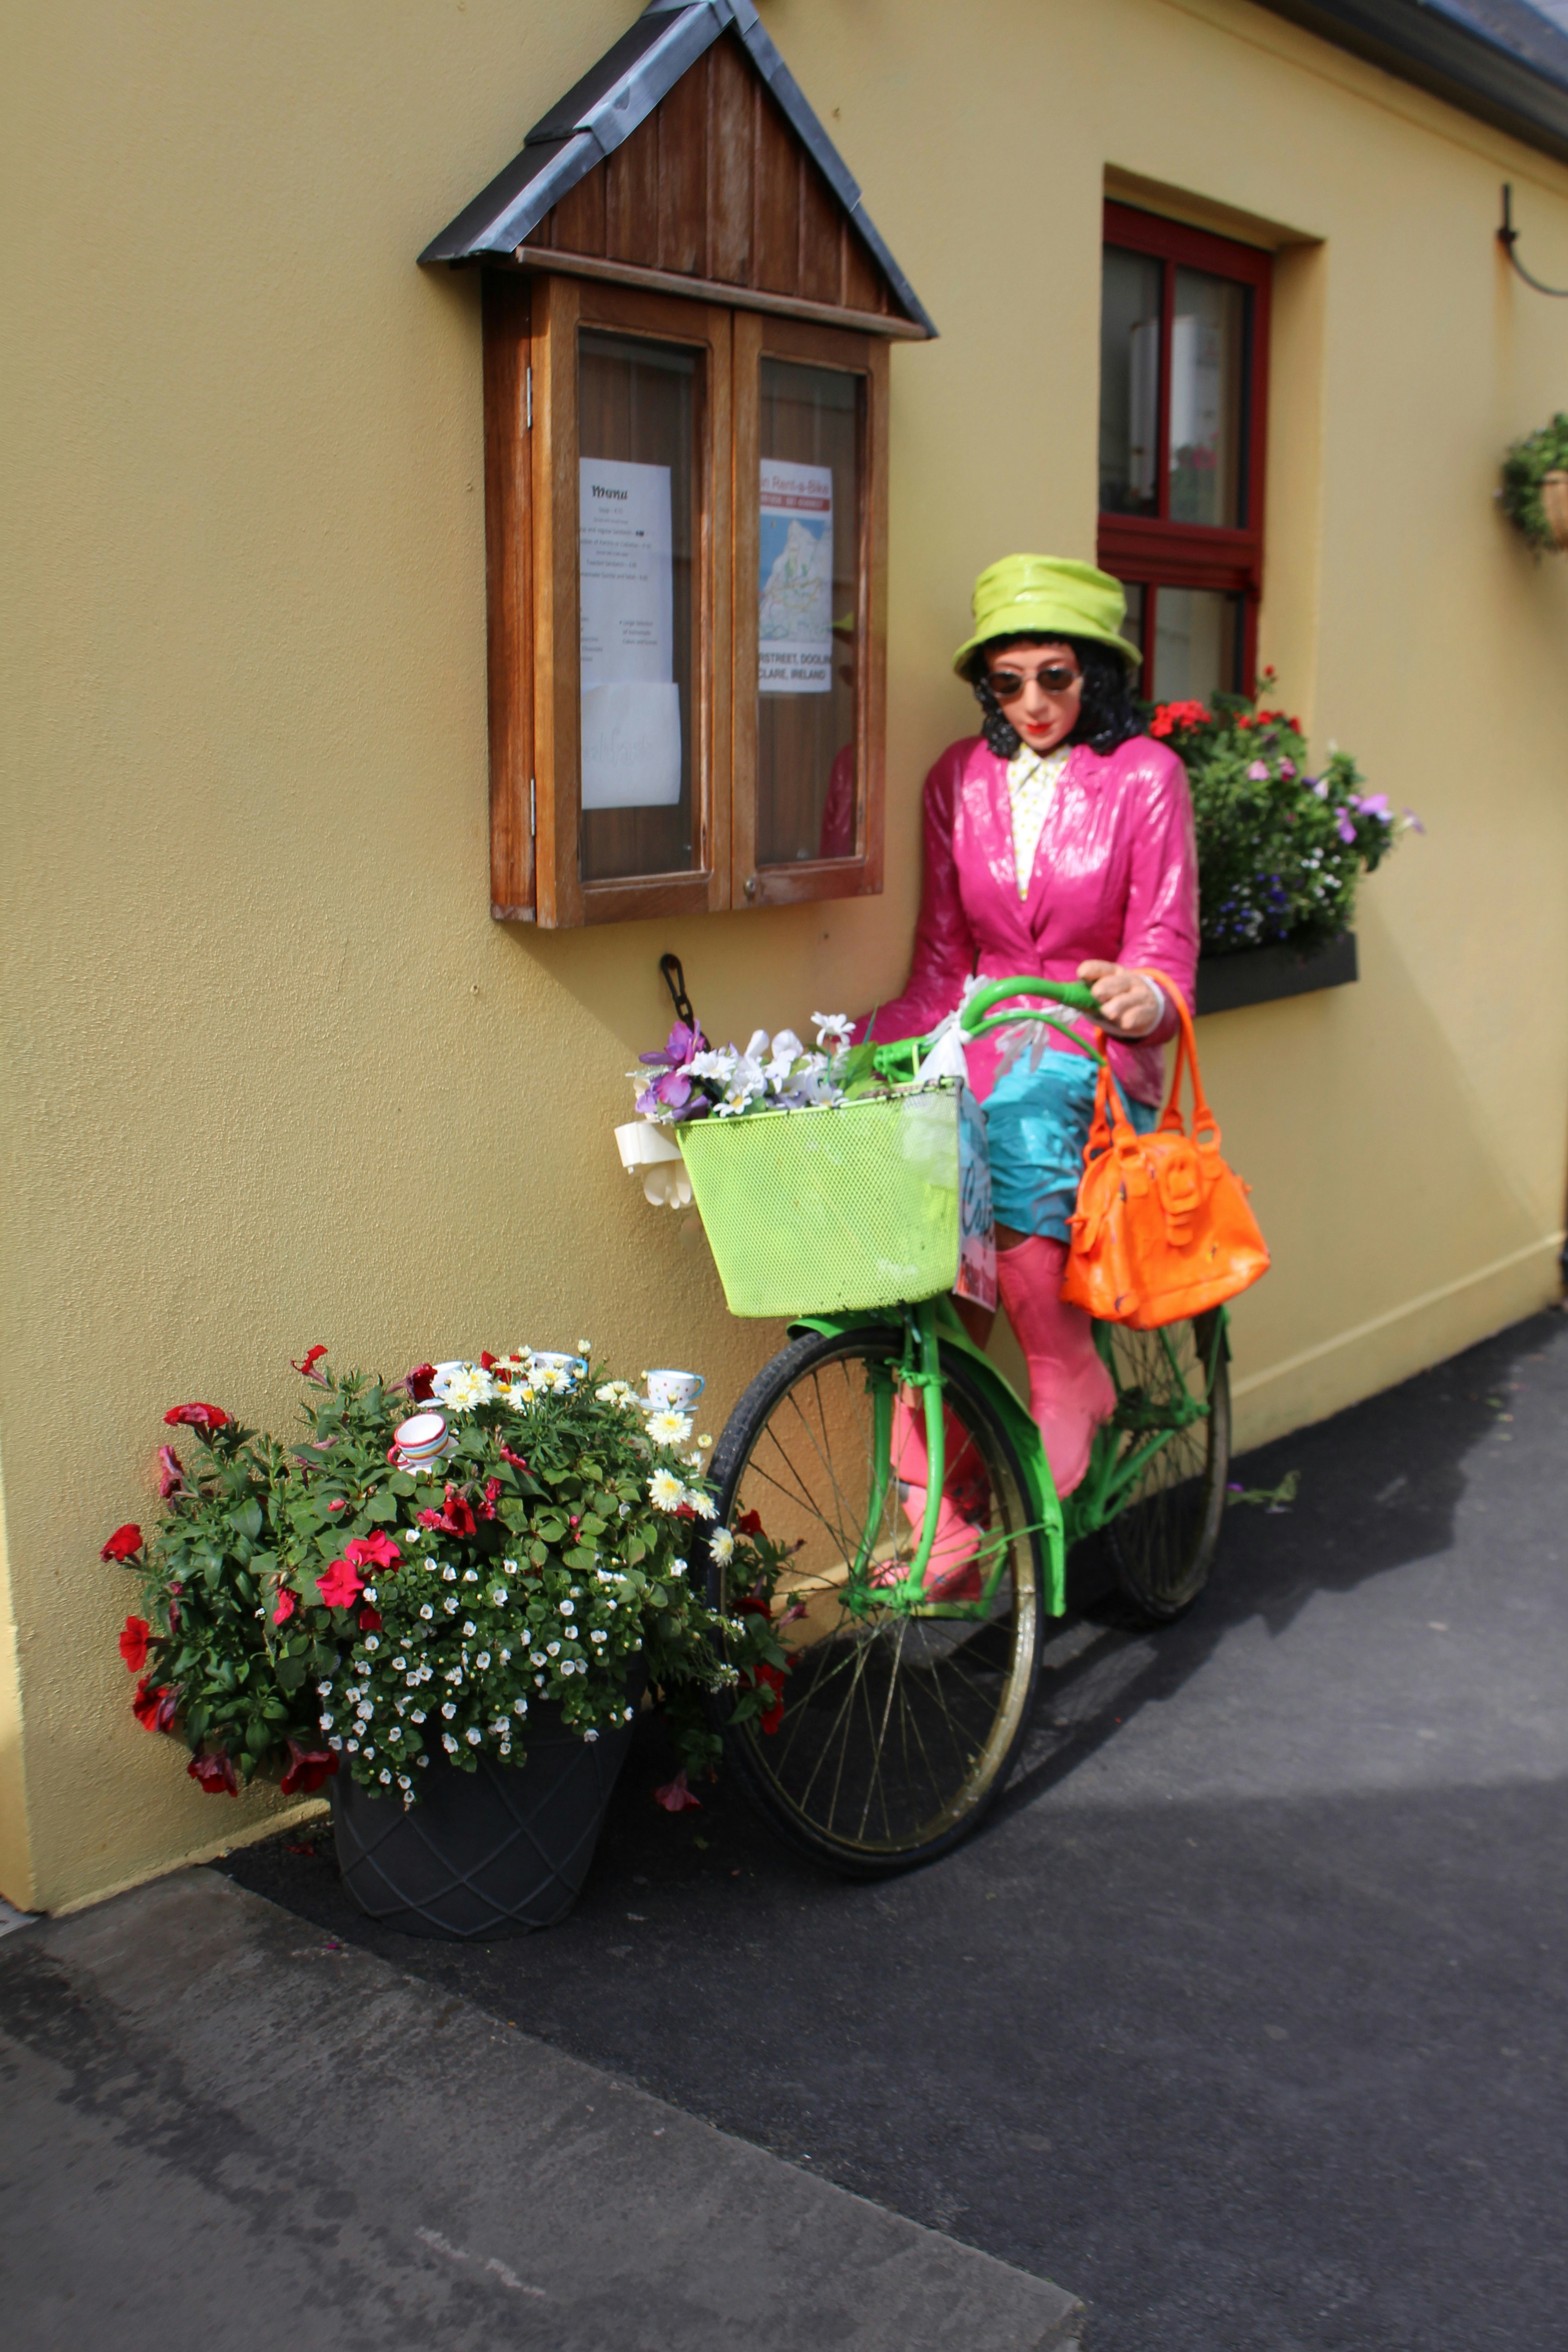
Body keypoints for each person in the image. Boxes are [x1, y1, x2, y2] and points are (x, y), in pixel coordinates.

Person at [862, 554, 1198, 1579]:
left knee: (1018, 1114)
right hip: (986, 1021)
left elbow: (1167, 943)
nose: (1034, 701)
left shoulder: (1146, 776)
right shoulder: (954, 780)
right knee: (913, 1151)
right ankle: (937, 1473)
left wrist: (1145, 996)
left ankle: (1065, 1376)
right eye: (1008, 683)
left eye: (1056, 676)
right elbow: (940, 963)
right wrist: (861, 1050)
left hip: (1089, 1047)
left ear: (1097, 674)